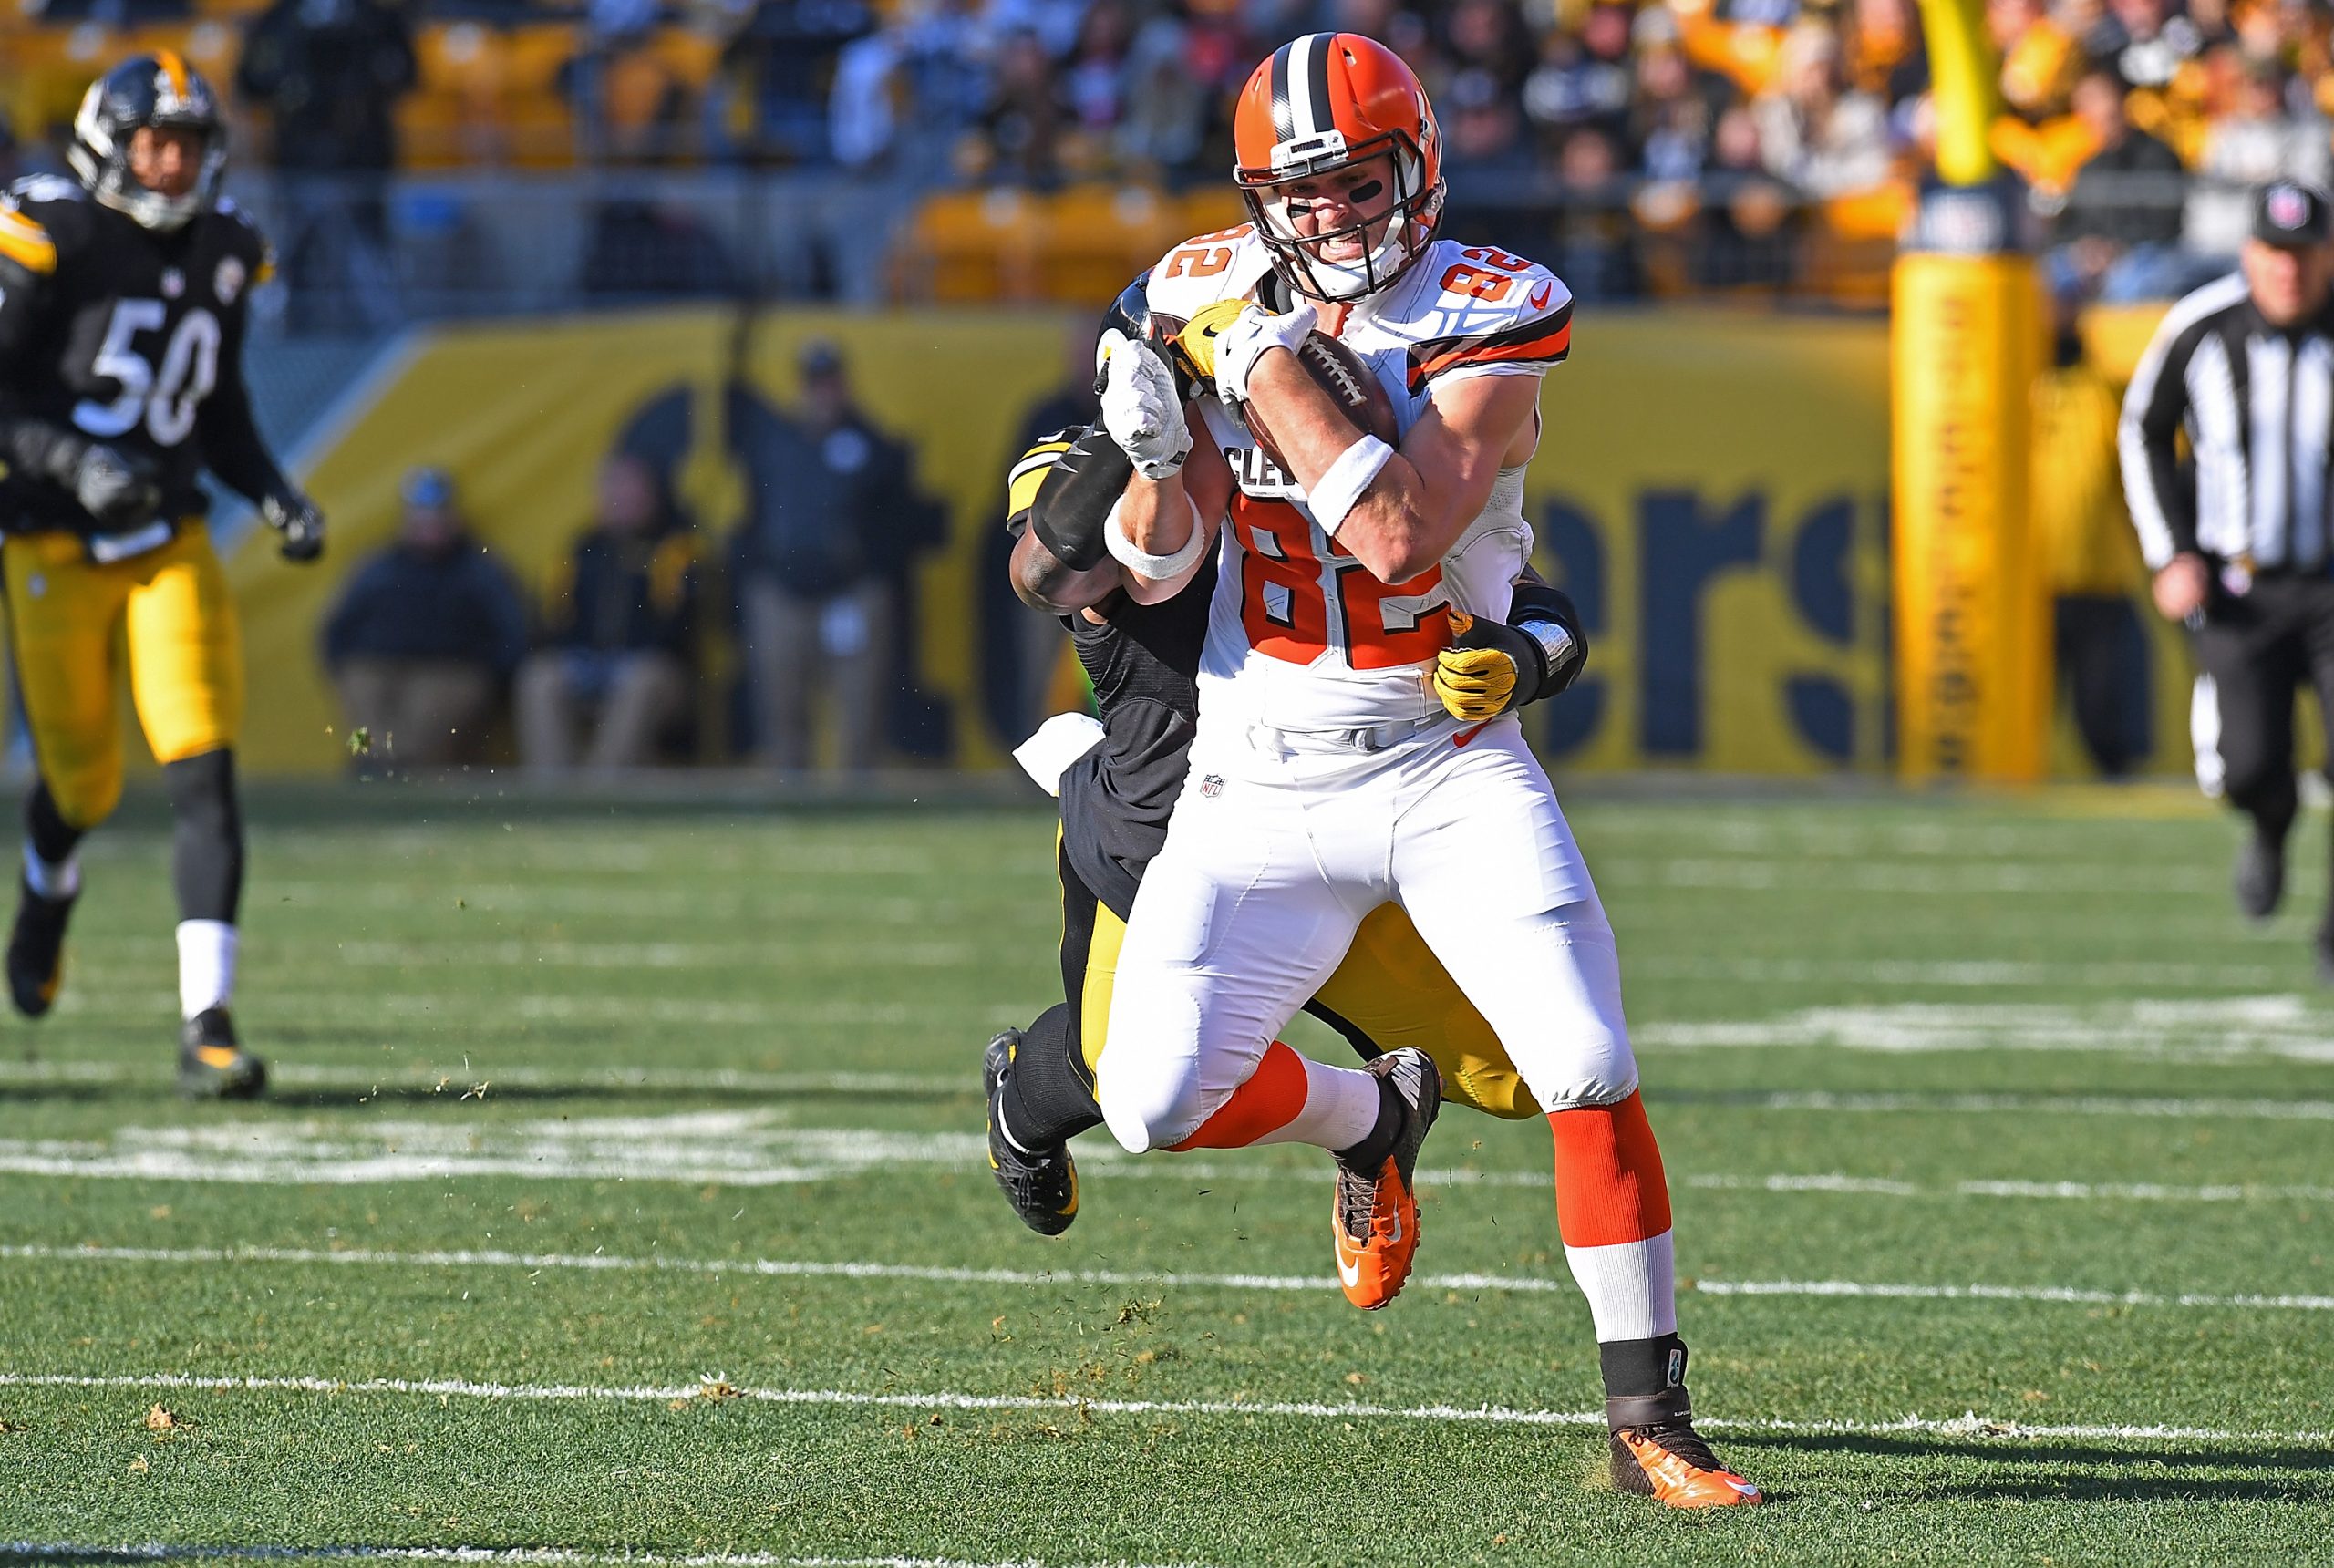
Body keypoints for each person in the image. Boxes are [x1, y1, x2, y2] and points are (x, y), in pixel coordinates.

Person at [1079, 34, 1761, 1508]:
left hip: (1442, 765)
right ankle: (1371, 1117)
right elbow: (1157, 563)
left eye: (1357, 184)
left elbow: (1401, 535)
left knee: (1584, 1058)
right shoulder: (1196, 290)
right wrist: (1146, 457)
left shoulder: (1486, 309)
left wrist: (1252, 359)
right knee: (1148, 1104)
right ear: (1264, 200)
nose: (1331, 221)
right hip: (1253, 776)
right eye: (1300, 197)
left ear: (1420, 165)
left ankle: (1651, 1415)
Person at [986, 372, 1587, 1239]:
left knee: (1525, 1072)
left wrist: (1526, 657)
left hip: (1361, 819)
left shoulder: (1342, 468)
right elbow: (1055, 567)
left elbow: (1525, 596)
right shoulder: (1114, 453)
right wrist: (1148, 429)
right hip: (1166, 842)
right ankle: (1369, 1120)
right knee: (1127, 1080)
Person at [0, 55, 328, 1097]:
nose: (173, 162)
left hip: (166, 546)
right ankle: (48, 887)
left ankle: (209, 1025)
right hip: (51, 542)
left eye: (187, 143)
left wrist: (272, 488)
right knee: (84, 783)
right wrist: (74, 465)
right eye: (155, 141)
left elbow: (215, 403)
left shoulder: (227, 249)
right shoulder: (55, 233)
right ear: (109, 141)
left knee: (202, 763)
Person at [2122, 181, 2334, 974]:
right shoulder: (2202, 328)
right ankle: (2272, 827)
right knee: (2246, 766)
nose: (2289, 272)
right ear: (2249, 254)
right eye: (2275, 254)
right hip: (2240, 588)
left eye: (2305, 254)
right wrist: (2170, 551)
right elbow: (2143, 429)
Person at [729, 340, 926, 770]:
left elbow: (896, 521)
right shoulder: (776, 444)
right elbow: (754, 515)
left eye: (830, 383)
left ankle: (857, 793)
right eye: (814, 384)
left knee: (859, 711)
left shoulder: (873, 445)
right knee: (782, 708)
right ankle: (789, 793)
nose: (822, 394)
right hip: (784, 590)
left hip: (851, 593)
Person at [321, 467, 528, 771]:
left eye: (437, 514)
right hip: (379, 663)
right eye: (420, 514)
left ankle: (395, 769)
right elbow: (336, 626)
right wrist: (344, 662)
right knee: (361, 688)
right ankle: (369, 761)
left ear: (454, 517)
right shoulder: (377, 565)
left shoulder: (480, 569)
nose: (428, 523)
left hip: (451, 667)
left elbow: (512, 633)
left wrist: (487, 674)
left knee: (426, 706)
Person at [232, 0, 416, 333]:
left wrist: (359, 99)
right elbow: (251, 80)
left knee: (368, 257)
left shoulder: (375, 19)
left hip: (362, 160)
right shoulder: (280, 19)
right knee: (296, 253)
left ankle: (379, 336)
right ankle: (294, 332)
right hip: (298, 158)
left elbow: (406, 75)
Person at [515, 452, 698, 773]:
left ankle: (602, 786)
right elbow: (554, 617)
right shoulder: (583, 548)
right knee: (540, 678)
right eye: (612, 489)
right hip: (592, 664)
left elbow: (679, 626)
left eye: (630, 490)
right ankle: (551, 787)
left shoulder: (675, 547)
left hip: (657, 671)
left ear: (652, 494)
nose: (619, 499)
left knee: (640, 680)